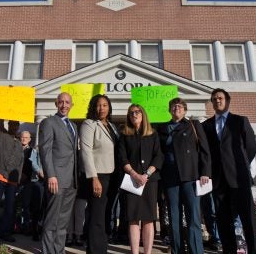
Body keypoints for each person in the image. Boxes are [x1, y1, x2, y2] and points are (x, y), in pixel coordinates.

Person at [202, 88, 256, 254]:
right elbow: (206, 153)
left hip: (239, 179)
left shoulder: (240, 121)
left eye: (220, 98)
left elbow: (251, 147)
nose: (217, 101)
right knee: (223, 221)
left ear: (227, 101)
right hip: (219, 181)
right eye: (214, 99)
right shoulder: (206, 126)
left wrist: (239, 165)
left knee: (247, 219)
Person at [156, 97, 211, 254]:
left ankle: (196, 251)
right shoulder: (162, 128)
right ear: (169, 110)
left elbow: (205, 151)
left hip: (191, 177)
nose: (176, 109)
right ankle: (177, 250)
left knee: (193, 217)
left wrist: (205, 172)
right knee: (174, 218)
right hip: (170, 178)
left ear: (185, 110)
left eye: (179, 107)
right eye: (173, 107)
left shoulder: (193, 125)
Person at [119, 104, 163, 254]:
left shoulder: (153, 134)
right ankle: (135, 252)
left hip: (150, 182)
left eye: (137, 112)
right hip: (131, 181)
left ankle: (148, 252)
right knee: (133, 218)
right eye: (131, 113)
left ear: (143, 114)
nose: (134, 114)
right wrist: (135, 175)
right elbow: (122, 158)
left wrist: (147, 175)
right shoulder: (125, 135)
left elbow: (158, 156)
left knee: (148, 219)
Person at [38, 92, 78, 254]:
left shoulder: (74, 126)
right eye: (61, 102)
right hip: (57, 179)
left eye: (67, 102)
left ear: (72, 105)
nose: (64, 105)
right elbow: (45, 150)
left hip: (71, 180)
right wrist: (51, 175)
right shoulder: (49, 122)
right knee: (52, 219)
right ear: (56, 104)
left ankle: (59, 251)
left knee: (63, 222)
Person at [80, 94, 119, 253]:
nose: (101, 108)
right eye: (98, 105)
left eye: (104, 105)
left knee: (105, 215)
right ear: (93, 107)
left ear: (109, 107)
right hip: (98, 176)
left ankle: (99, 248)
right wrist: (93, 178)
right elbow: (86, 152)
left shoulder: (112, 126)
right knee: (97, 216)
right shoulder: (89, 124)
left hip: (112, 176)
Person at [0, 119, 24, 243]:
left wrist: (18, 180)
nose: (14, 126)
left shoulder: (19, 143)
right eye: (12, 124)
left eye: (16, 125)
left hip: (12, 181)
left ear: (18, 127)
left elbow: (20, 163)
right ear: (8, 125)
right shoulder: (1, 134)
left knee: (10, 208)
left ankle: (5, 233)